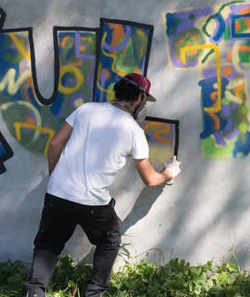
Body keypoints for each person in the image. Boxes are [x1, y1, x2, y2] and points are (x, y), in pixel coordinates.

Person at [24, 73, 181, 297]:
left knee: (48, 244)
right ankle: (94, 292)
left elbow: (55, 144)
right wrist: (170, 171)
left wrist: (56, 176)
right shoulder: (134, 131)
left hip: (57, 193)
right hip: (93, 203)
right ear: (139, 98)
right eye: (144, 100)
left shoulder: (86, 110)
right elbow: (150, 179)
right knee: (109, 241)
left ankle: (35, 292)